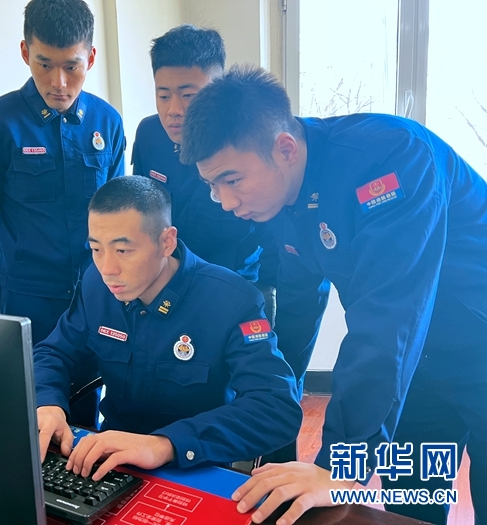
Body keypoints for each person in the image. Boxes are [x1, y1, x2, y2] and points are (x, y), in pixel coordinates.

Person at [179, 65, 487, 525]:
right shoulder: (280, 201)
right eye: (212, 186)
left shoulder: (392, 158)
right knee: (412, 503)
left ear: (285, 148)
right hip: (416, 368)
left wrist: (338, 468)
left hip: (475, 347)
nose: (225, 201)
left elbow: (388, 319)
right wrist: (278, 393)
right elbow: (299, 302)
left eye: (232, 179)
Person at [33, 176, 301, 480]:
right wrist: (48, 404)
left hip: (194, 464)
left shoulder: (232, 301)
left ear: (166, 242)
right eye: (96, 249)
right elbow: (54, 352)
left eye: (123, 251)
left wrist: (165, 445)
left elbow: (276, 408)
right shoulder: (96, 285)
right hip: (110, 460)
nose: (107, 269)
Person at [0, 0, 124, 426]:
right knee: (32, 404)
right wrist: (15, 258)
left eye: (71, 66)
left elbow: (117, 212)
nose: (58, 82)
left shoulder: (107, 123)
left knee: (86, 397)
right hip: (27, 294)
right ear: (25, 52)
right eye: (44, 64)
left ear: (90, 58)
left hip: (94, 289)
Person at [131, 25, 279, 308]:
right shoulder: (150, 135)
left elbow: (275, 241)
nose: (174, 110)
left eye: (189, 95)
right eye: (164, 96)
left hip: (233, 293)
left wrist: (263, 296)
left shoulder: (247, 143)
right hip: (168, 289)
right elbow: (142, 212)